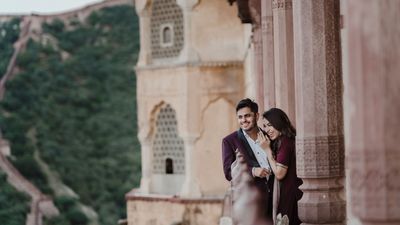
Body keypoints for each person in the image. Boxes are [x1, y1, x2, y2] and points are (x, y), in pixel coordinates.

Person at [222, 98, 274, 220]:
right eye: (240, 117)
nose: (243, 120)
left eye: (247, 116)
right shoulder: (230, 141)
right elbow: (228, 173)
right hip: (252, 202)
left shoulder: (270, 137)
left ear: (256, 116)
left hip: (277, 197)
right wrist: (253, 171)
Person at [257, 108, 303, 225]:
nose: (267, 130)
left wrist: (267, 150)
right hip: (289, 193)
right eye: (265, 126)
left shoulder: (286, 143)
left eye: (270, 125)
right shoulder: (283, 141)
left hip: (291, 195)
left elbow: (279, 174)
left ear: (279, 123)